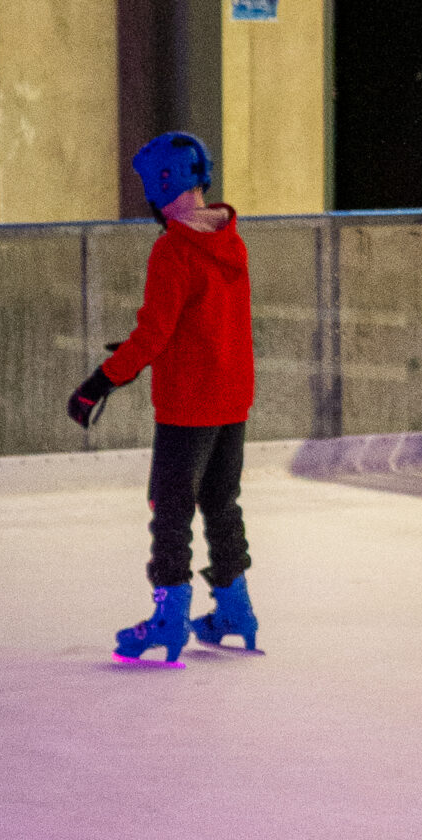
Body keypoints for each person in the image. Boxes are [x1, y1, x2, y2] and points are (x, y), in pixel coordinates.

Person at [73, 133, 260, 666]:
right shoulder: (231, 239)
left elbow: (153, 335)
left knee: (170, 509)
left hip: (188, 405)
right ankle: (234, 609)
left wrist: (99, 383)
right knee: (222, 503)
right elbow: (203, 324)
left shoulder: (174, 249)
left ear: (163, 185)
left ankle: (169, 616)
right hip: (231, 399)